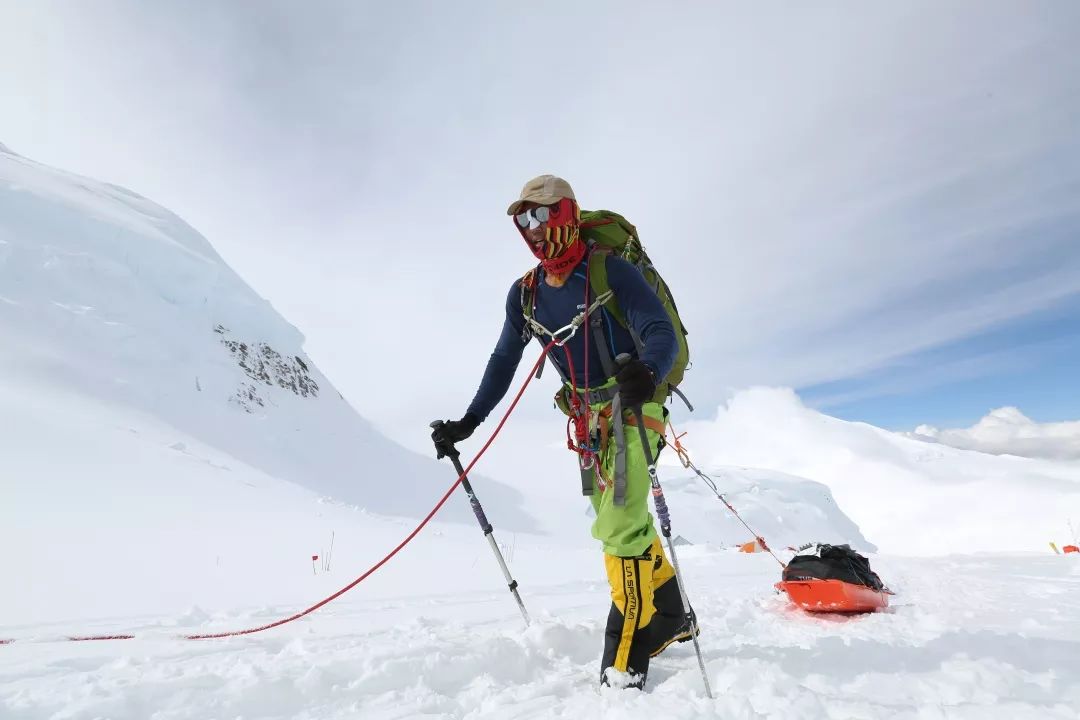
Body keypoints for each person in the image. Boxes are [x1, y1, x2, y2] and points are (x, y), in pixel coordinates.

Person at [431, 175, 697, 689]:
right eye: (522, 218)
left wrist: (650, 369)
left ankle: (623, 663)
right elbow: (504, 360)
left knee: (619, 525)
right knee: (619, 521)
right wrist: (468, 422)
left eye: (541, 214)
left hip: (635, 405)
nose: (531, 228)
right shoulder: (526, 294)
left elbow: (657, 329)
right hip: (586, 422)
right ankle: (671, 615)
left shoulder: (609, 270)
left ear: (567, 213)